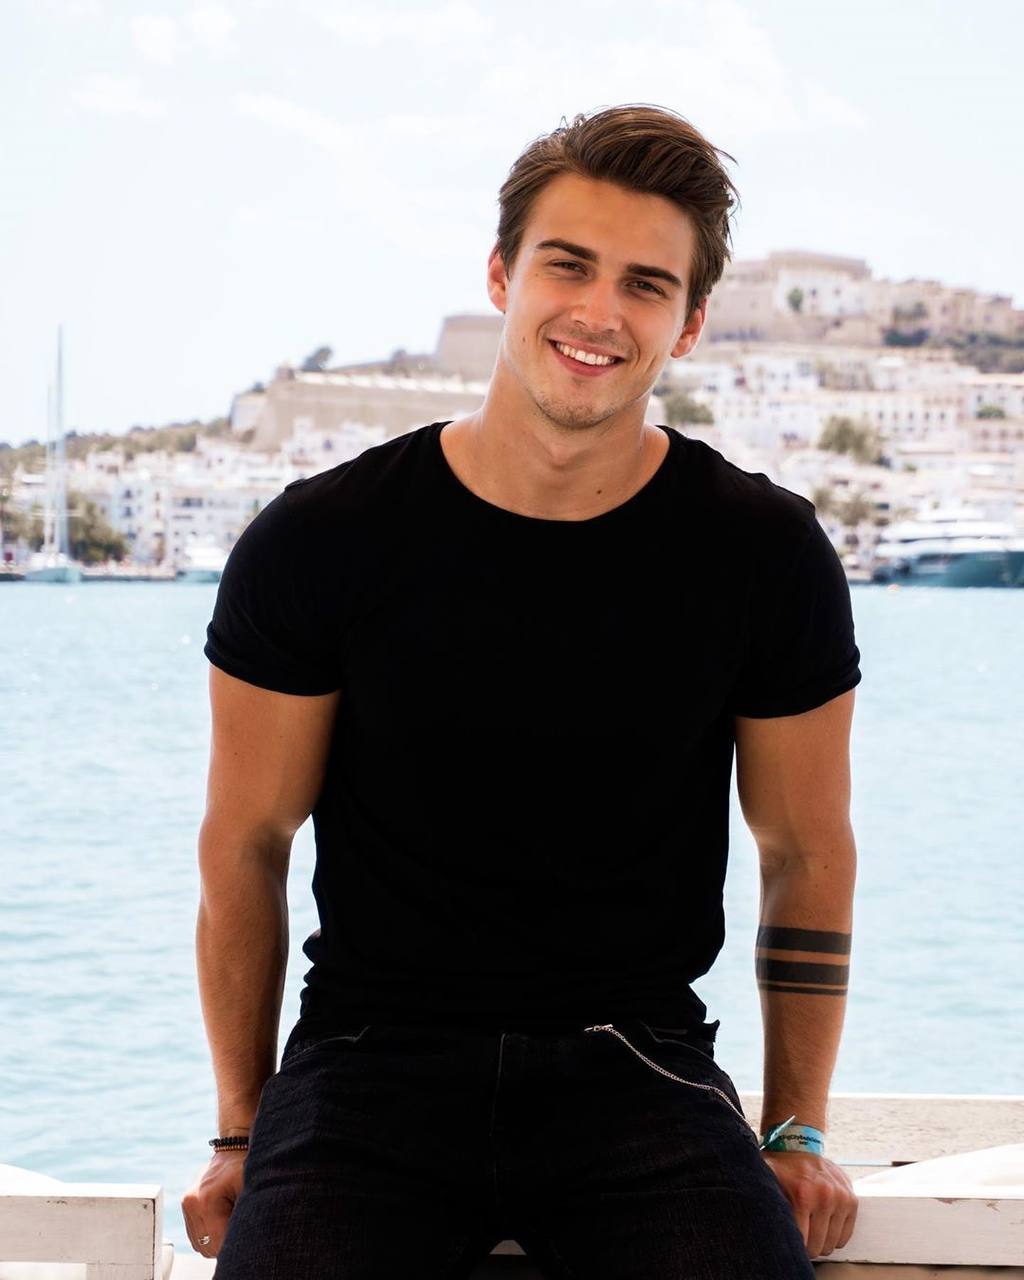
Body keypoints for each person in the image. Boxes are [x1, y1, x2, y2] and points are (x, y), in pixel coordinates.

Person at [182, 103, 862, 1278]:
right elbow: (246, 841)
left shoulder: (762, 553)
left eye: (646, 284)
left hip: (638, 1065)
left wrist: (795, 1127)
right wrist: (241, 1125)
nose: (599, 312)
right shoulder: (322, 539)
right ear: (501, 276)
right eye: (567, 264)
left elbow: (805, 849)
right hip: (365, 1065)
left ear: (691, 322)